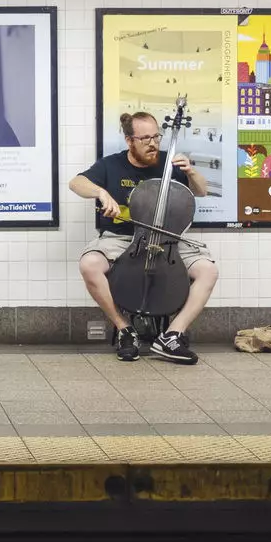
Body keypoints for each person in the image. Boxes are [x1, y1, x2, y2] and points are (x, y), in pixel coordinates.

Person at [68, 111, 215, 365]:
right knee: (88, 264)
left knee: (208, 271)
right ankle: (126, 330)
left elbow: (201, 191)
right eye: (145, 138)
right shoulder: (111, 165)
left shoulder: (170, 165)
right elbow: (76, 183)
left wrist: (191, 173)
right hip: (122, 238)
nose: (153, 143)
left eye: (156, 136)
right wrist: (101, 193)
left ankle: (171, 336)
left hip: (167, 240)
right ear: (129, 141)